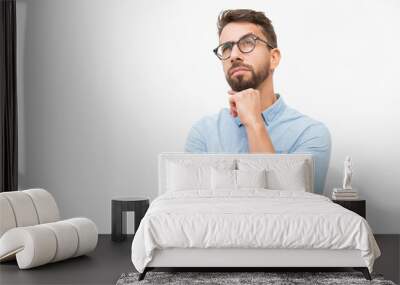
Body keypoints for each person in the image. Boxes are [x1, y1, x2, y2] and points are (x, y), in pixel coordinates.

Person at [184, 9, 331, 195]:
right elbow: (192, 210)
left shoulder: (310, 134)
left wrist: (254, 122)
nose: (234, 55)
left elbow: (293, 209)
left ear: (273, 58)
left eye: (248, 43)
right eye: (227, 47)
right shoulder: (203, 134)